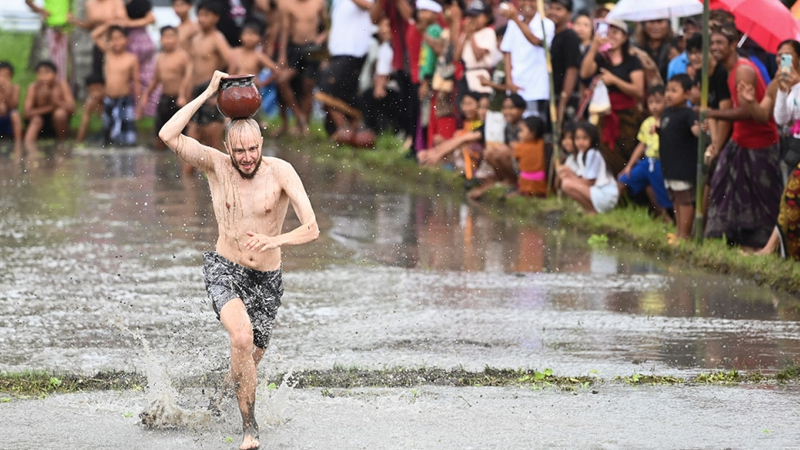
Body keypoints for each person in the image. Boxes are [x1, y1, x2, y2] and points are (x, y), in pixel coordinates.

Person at [158, 70, 319, 450]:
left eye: (252, 149)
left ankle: (217, 401)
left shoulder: (281, 172)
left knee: (248, 358)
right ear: (228, 147)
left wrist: (273, 239)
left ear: (261, 142)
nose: (246, 158)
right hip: (225, 269)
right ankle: (250, 430)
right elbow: (168, 135)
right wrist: (208, 92)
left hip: (267, 278)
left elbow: (311, 228)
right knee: (242, 337)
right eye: (239, 151)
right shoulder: (217, 166)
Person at [704, 24, 781, 249]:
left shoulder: (743, 69)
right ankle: (728, 242)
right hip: (739, 142)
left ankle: (767, 247)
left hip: (761, 144)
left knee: (764, 198)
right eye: (712, 43)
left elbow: (747, 112)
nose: (715, 47)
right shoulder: (728, 70)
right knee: (722, 188)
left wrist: (711, 113)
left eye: (720, 43)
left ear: (732, 45)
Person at [748, 40, 800, 259]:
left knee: (790, 198)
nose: (781, 60)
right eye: (779, 55)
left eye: (787, 55)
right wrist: (781, 90)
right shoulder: (787, 84)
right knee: (789, 200)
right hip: (793, 148)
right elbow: (781, 118)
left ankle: (772, 251)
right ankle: (780, 253)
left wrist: (796, 85)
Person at [580, 18, 645, 176]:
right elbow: (584, 73)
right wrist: (594, 47)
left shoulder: (633, 61)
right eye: (607, 32)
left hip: (627, 116)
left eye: (616, 32)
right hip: (605, 114)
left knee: (627, 150)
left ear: (624, 36)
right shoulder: (601, 59)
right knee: (608, 153)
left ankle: (631, 191)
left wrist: (614, 80)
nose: (611, 36)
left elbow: (638, 91)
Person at [315, 0, 375, 142]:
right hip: (338, 51)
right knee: (345, 93)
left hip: (353, 50)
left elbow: (370, 7)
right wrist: (326, 35)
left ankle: (344, 129)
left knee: (327, 89)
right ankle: (351, 130)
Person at [617, 85, 672, 222]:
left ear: (666, 101)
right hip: (647, 162)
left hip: (661, 163)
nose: (654, 106)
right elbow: (641, 145)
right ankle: (615, 211)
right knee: (622, 180)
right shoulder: (647, 123)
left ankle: (666, 219)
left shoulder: (669, 121)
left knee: (657, 192)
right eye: (651, 102)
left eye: (658, 102)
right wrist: (629, 166)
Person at [276, 0, 328, 137]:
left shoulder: (318, 3)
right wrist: (282, 55)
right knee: (282, 81)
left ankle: (303, 126)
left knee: (308, 86)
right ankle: (299, 117)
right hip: (294, 48)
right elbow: (285, 30)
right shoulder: (288, 4)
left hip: (313, 48)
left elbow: (328, 24)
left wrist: (323, 38)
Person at [136, 26, 192, 149]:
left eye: (171, 36)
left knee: (182, 135)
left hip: (180, 99)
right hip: (165, 98)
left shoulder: (182, 56)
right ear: (160, 39)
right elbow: (156, 80)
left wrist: (183, 95)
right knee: (160, 132)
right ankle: (160, 161)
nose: (168, 40)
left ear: (177, 38)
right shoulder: (160, 58)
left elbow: (187, 78)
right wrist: (145, 96)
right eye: (165, 37)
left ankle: (181, 162)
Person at [659, 74, 701, 241]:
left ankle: (685, 235)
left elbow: (696, 131)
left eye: (674, 91)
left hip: (682, 167)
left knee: (684, 201)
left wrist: (701, 128)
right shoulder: (666, 112)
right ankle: (678, 232)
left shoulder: (688, 114)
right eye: (667, 90)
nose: (669, 94)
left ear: (687, 94)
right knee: (675, 199)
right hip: (669, 166)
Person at [498, 0, 554, 122]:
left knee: (533, 125)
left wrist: (516, 19)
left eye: (532, 0)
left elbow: (535, 41)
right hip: (516, 85)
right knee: (515, 126)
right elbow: (508, 52)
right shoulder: (513, 23)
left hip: (536, 87)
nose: (528, 3)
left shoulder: (546, 23)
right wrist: (509, 80)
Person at [188, 1, 233, 151]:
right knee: (190, 145)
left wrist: (222, 92)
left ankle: (220, 174)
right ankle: (186, 175)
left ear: (216, 18)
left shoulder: (217, 38)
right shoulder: (195, 39)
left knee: (213, 145)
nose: (201, 19)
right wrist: (185, 92)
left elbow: (232, 64)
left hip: (211, 89)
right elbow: (191, 68)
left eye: (206, 15)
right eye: (200, 15)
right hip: (196, 92)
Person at [92, 25, 140, 146]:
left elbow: (136, 81)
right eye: (113, 38)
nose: (116, 41)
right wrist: (110, 23)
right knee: (107, 131)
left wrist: (139, 104)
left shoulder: (131, 58)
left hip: (124, 99)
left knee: (127, 135)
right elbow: (94, 35)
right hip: (108, 99)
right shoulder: (108, 54)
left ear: (127, 40)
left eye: (119, 38)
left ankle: (127, 159)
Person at [558, 121, 618, 214]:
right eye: (577, 138)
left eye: (584, 138)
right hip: (597, 192)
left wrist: (570, 174)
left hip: (606, 194)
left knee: (566, 184)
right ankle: (590, 210)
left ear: (592, 139)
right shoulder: (581, 154)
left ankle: (592, 210)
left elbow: (590, 182)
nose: (580, 142)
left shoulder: (593, 154)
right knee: (566, 182)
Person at [546, 0, 581, 127]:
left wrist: (562, 103)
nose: (553, 12)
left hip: (563, 98)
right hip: (550, 95)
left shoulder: (570, 37)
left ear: (569, 14)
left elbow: (572, 70)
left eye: (558, 9)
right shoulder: (549, 35)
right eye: (551, 8)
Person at [23, 60, 75, 143]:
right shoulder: (33, 87)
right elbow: (27, 112)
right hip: (38, 120)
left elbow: (72, 108)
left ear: (55, 74)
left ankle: (62, 142)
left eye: (47, 73)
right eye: (40, 73)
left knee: (60, 114)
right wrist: (50, 107)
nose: (43, 77)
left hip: (57, 121)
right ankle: (28, 146)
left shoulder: (61, 85)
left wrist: (56, 101)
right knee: (36, 120)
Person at [122, 0, 158, 117]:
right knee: (133, 78)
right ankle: (136, 109)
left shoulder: (142, 2)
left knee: (144, 77)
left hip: (138, 40)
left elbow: (151, 19)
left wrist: (129, 23)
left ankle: (146, 108)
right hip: (128, 40)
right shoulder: (118, 3)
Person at [455, 0, 497, 95]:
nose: (472, 19)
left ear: (487, 17)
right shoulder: (466, 33)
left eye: (476, 16)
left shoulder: (488, 32)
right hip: (467, 74)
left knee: (479, 103)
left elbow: (478, 56)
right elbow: (457, 57)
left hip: (481, 74)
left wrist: (470, 34)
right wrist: (467, 34)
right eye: (470, 16)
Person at [25, 0, 72, 82]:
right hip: (50, 28)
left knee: (66, 65)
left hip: (67, 29)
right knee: (48, 62)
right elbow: (28, 1)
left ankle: (62, 88)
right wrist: (41, 10)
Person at [513, 115, 547, 197]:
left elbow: (516, 159)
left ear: (532, 132)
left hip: (525, 184)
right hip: (542, 184)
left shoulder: (519, 146)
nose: (519, 134)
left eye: (521, 131)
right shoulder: (544, 145)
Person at [76, 73, 106, 143]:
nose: (96, 93)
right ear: (88, 90)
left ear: (105, 87)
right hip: (95, 136)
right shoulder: (90, 103)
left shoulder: (110, 101)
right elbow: (84, 124)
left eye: (98, 89)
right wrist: (78, 142)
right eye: (92, 90)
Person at [0, 62, 23, 142]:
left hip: (8, 118)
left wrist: (6, 91)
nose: (3, 78)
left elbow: (14, 105)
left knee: (15, 115)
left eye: (6, 75)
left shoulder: (15, 88)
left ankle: (18, 144)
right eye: (1, 75)